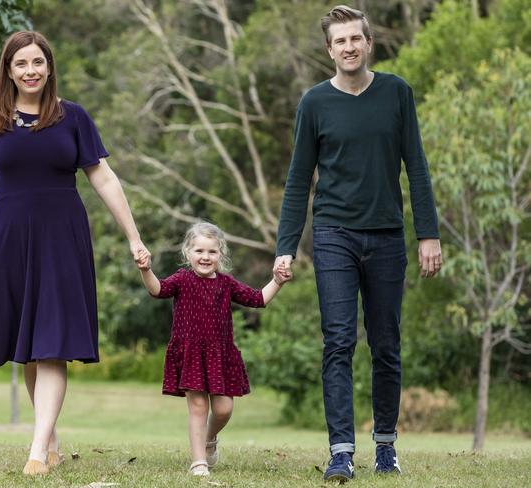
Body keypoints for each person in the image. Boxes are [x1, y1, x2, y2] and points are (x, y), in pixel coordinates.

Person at [0, 31, 150, 475]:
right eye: (21, 64)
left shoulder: (73, 117)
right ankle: (49, 438)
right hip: (8, 239)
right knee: (28, 347)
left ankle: (35, 451)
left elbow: (103, 178)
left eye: (38, 63)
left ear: (49, 67)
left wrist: (133, 236)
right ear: (8, 71)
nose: (31, 71)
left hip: (62, 239)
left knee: (52, 345)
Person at [273, 5, 442, 482]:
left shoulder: (396, 93)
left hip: (387, 235)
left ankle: (386, 446)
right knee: (339, 340)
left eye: (355, 39)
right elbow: (298, 179)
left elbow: (418, 165)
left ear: (369, 43)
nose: (348, 47)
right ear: (329, 50)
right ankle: (341, 452)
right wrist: (286, 245)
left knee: (386, 344)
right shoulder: (314, 103)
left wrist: (427, 234)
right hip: (333, 236)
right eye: (339, 41)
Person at [137, 222, 287, 476]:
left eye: (212, 252)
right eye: (199, 251)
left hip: (220, 355)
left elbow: (258, 299)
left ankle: (209, 440)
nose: (205, 257)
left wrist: (277, 281)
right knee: (197, 407)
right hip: (191, 354)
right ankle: (199, 462)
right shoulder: (182, 280)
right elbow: (157, 289)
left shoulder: (227, 284)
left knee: (223, 409)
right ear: (188, 253)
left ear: (220, 254)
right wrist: (146, 270)